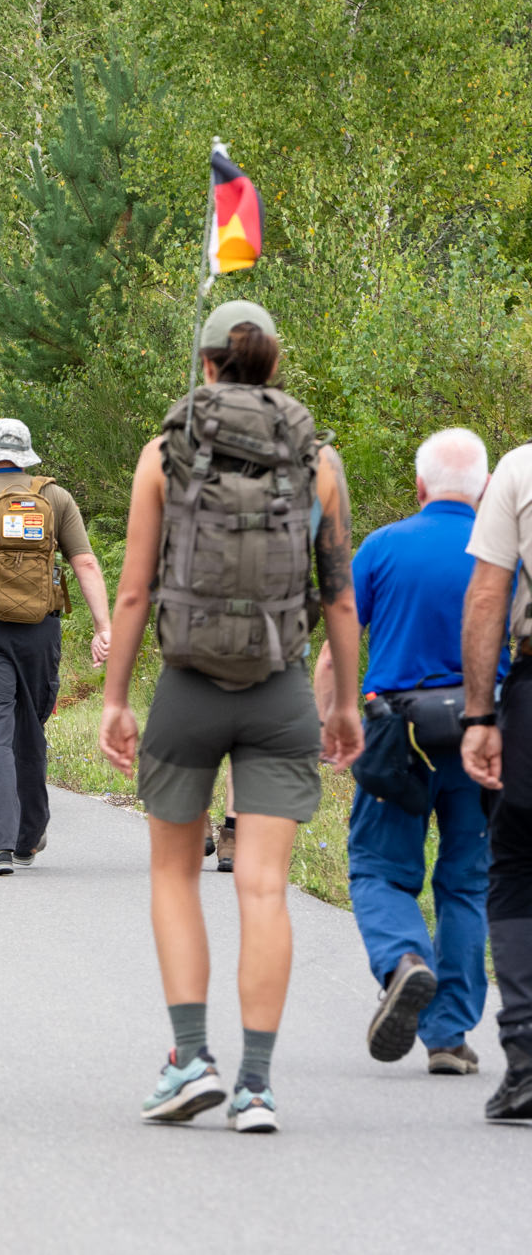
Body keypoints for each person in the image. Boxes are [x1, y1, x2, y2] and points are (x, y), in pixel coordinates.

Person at [100, 300, 362, 1135]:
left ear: (206, 365)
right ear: (274, 365)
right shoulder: (319, 461)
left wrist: (113, 697)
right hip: (281, 688)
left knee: (175, 874)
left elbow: (135, 589)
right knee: (264, 887)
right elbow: (340, 597)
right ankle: (254, 1084)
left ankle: (190, 1058)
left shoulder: (163, 453)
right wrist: (345, 701)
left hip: (185, 689)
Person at [310, 429, 498, 1077]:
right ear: (487, 489)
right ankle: (448, 1034)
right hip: (484, 734)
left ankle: (403, 960)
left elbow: (337, 644)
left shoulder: (383, 546)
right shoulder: (505, 555)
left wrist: (326, 723)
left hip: (398, 735)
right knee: (468, 882)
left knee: (378, 867)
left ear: (419, 488)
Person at [0, 417, 112, 874]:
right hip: (40, 629)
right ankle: (28, 838)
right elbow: (86, 563)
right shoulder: (54, 497)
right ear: (28, 455)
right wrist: (102, 626)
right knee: (29, 729)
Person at [460, 432, 532, 1121]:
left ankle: (528, 1057)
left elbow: (488, 595)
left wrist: (480, 713)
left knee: (515, 859)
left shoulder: (520, 468)